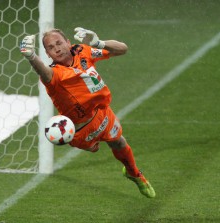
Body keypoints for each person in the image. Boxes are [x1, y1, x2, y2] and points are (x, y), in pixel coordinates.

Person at [20, 27, 156, 198]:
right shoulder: (54, 74)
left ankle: (135, 174)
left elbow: (123, 49)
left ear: (68, 43)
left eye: (59, 43)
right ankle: (93, 145)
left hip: (102, 113)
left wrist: (100, 43)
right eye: (50, 47)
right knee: (94, 148)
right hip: (79, 131)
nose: (57, 48)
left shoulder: (82, 51)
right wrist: (31, 56)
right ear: (47, 53)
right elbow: (43, 72)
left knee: (119, 142)